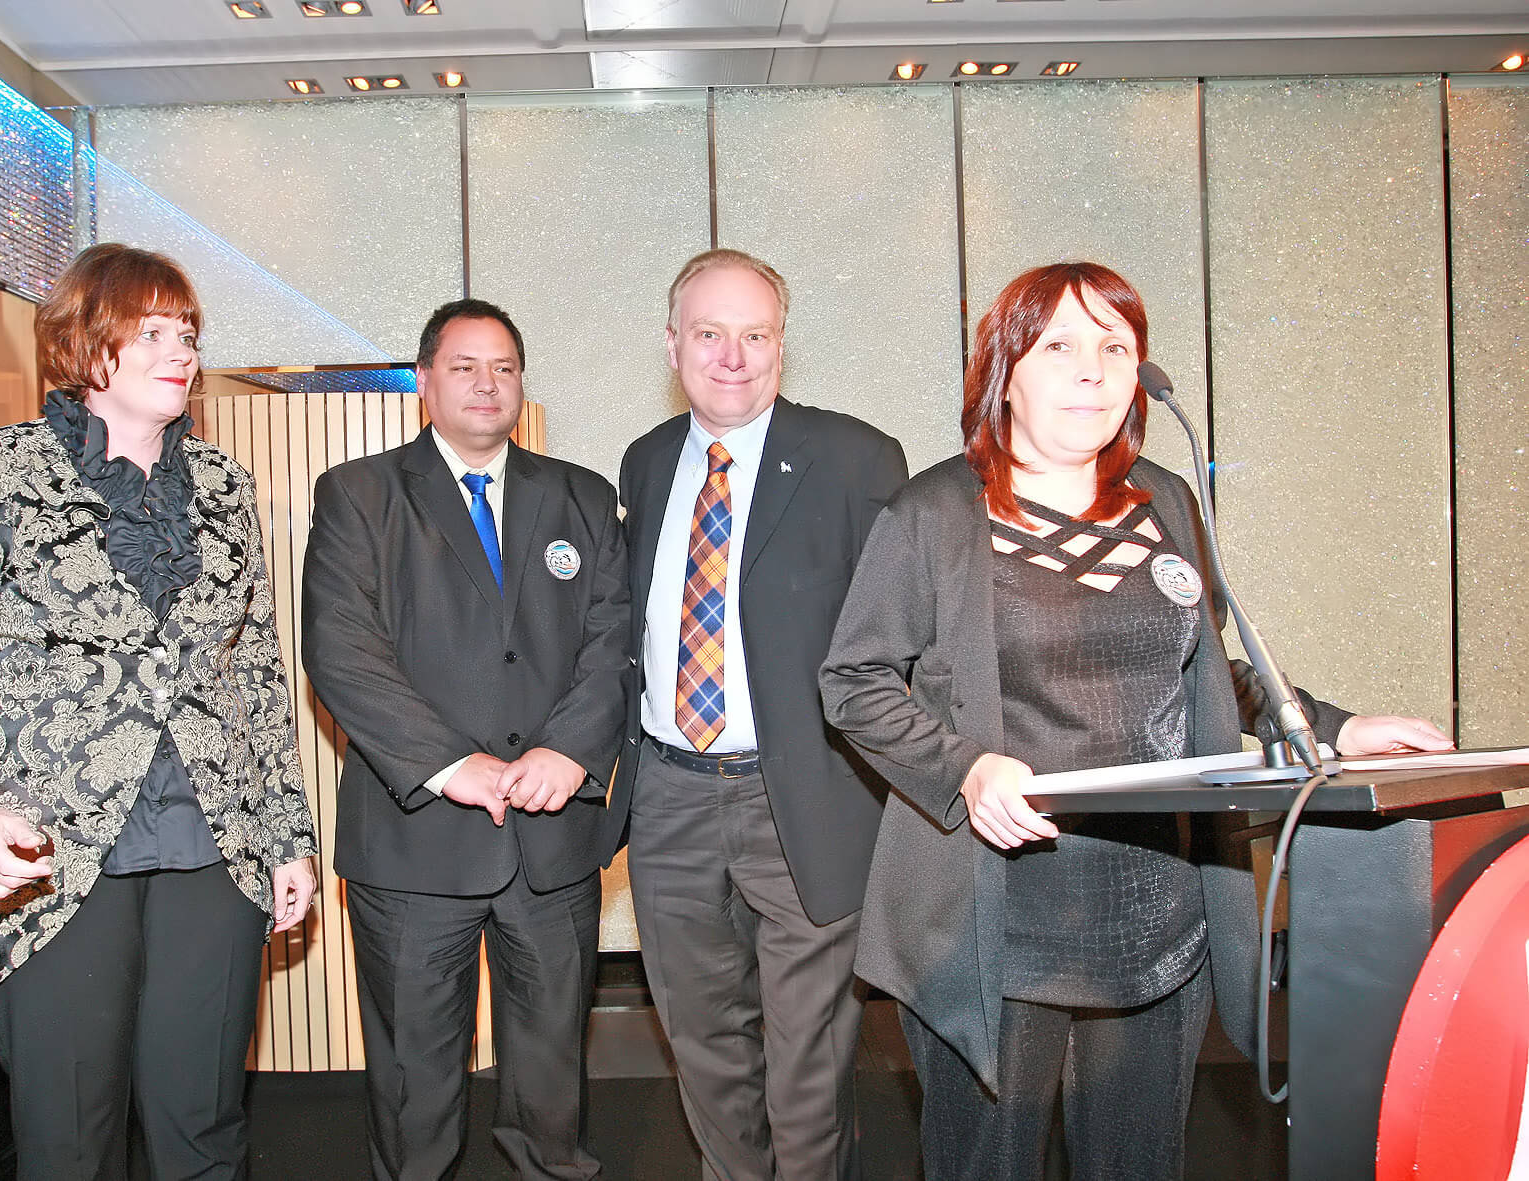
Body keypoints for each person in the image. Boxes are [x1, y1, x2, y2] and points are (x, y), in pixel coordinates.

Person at [818, 260, 1452, 1180]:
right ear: (1005, 373)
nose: (1092, 369)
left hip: (1156, 911)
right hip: (1000, 914)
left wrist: (1330, 726)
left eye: (1115, 347)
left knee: (1140, 1162)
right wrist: (964, 767)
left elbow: (1203, 671)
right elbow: (854, 679)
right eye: (1060, 346)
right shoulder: (937, 510)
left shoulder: (1166, 502)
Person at [0, 242, 319, 1179]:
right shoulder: (0, 473)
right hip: (55, 854)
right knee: (70, 1142)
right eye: (151, 331)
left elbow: (258, 677)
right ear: (84, 342)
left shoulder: (227, 489)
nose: (180, 350)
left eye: (187, 333)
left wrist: (289, 837)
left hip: (214, 849)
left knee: (204, 1130)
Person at [300, 298, 628, 1181]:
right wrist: (450, 763)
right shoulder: (359, 495)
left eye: (504, 368)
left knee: (552, 1076)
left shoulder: (583, 497)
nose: (487, 384)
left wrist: (569, 751)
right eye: (464, 366)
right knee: (415, 1080)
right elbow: (341, 650)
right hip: (415, 842)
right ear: (423, 381)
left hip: (552, 834)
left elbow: (614, 642)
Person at [601, 249, 908, 1181]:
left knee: (807, 1071)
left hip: (805, 799)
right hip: (669, 799)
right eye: (709, 333)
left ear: (782, 344)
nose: (732, 356)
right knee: (704, 1053)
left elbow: (899, 639)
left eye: (755, 334)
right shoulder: (647, 462)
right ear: (672, 344)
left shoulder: (857, 459)